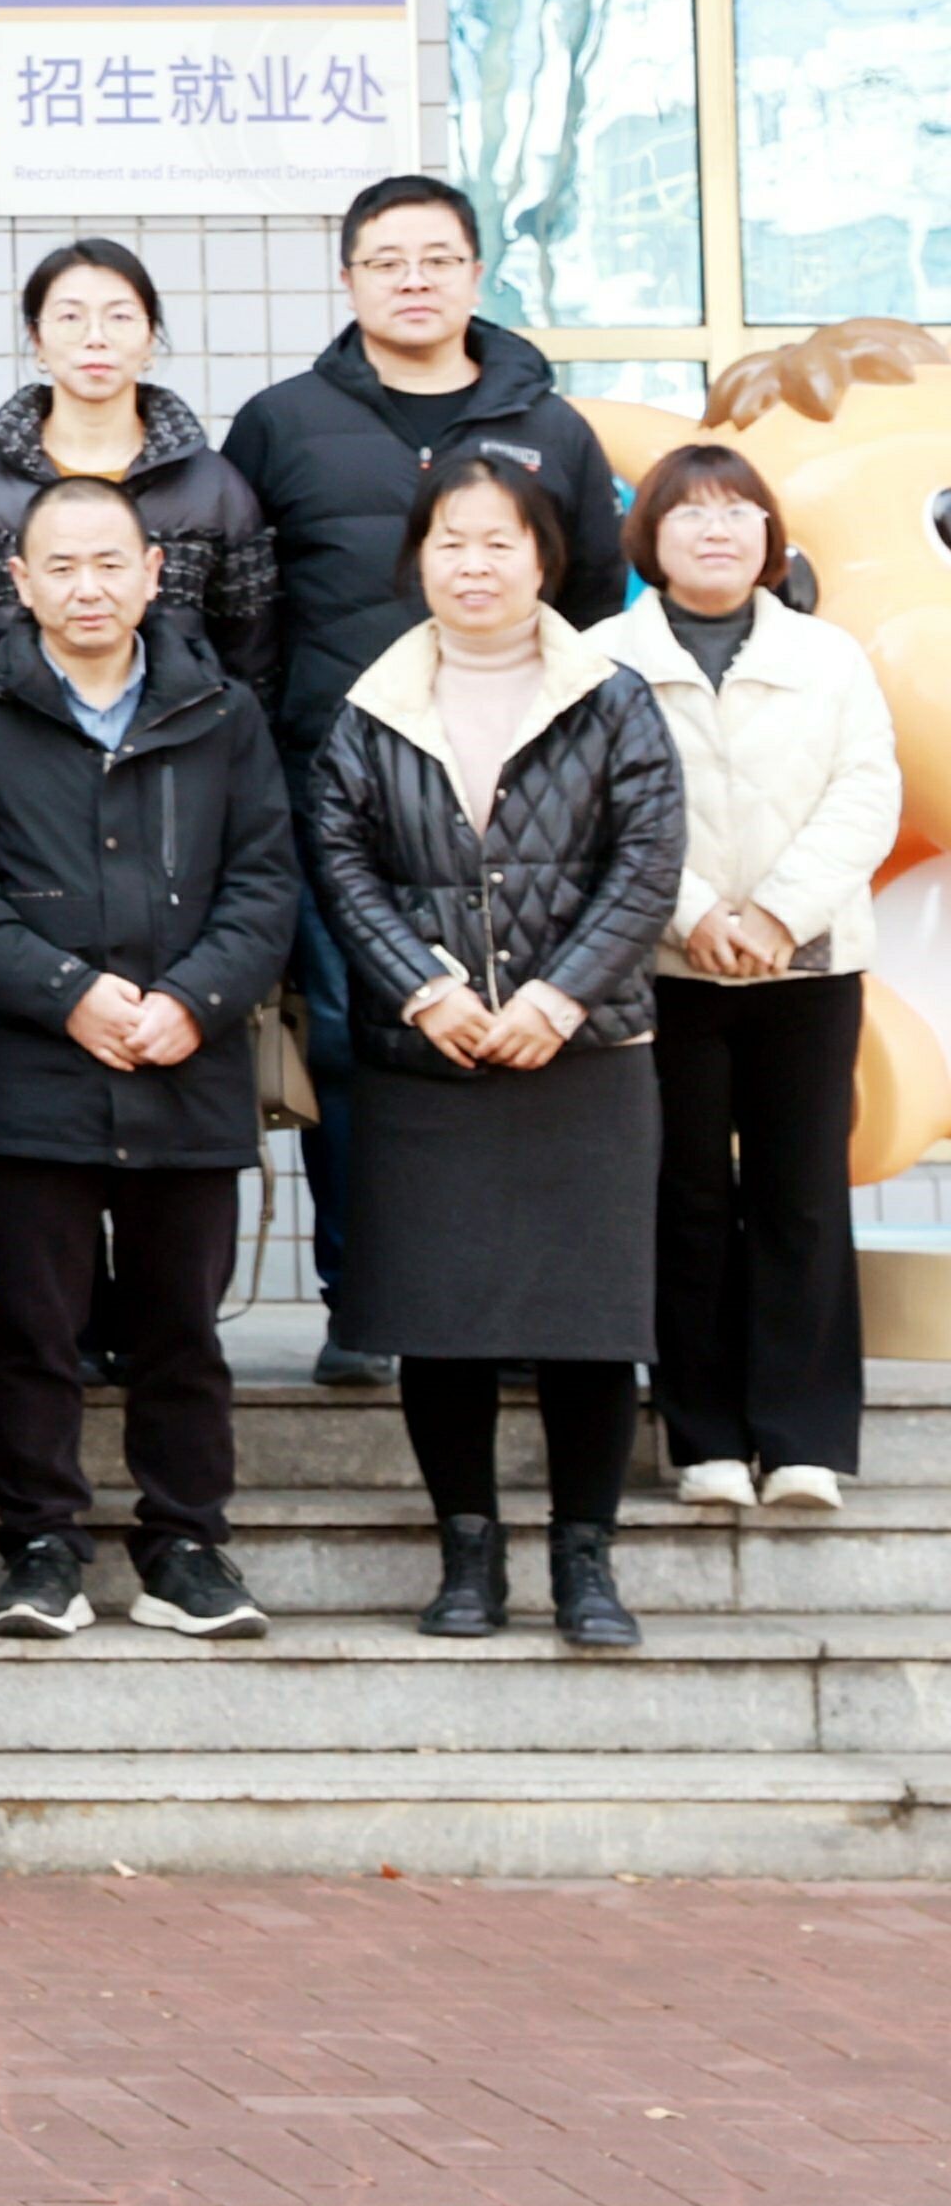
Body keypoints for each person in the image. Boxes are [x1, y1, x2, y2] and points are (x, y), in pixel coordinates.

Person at [233, 177, 639, 1388]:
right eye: (386, 260)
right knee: (355, 1041)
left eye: (437, 258)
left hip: (528, 806)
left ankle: (510, 1307)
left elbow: (591, 601)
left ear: (474, 273)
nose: (413, 280)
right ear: (348, 279)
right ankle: (365, 1300)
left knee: (514, 1039)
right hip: (339, 793)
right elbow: (249, 614)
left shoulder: (550, 427)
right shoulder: (281, 423)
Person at [0, 476, 306, 1642]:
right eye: (61, 567)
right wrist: (69, 994)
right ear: (19, 583)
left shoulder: (224, 711)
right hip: (37, 1071)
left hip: (191, 1064)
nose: (88, 587)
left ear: (153, 574)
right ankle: (40, 1546)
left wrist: (194, 1000)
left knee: (183, 1329)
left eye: (109, 563)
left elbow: (264, 883)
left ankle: (186, 1547)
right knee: (34, 1330)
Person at [305, 458, 686, 1650]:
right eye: (451, 543)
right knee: (442, 1316)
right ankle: (467, 1554)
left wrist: (561, 997)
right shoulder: (370, 708)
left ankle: (586, 1559)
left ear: (545, 560)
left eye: (499, 543)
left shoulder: (613, 697)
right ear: (418, 558)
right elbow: (342, 866)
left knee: (590, 1321)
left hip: (587, 1053)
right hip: (431, 1058)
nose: (474, 566)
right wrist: (425, 991)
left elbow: (648, 862)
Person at [597, 445, 903, 1517]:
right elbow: (600, 811)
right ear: (651, 537)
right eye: (690, 513)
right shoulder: (602, 658)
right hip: (664, 966)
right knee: (684, 1198)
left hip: (806, 964)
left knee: (802, 1194)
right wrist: (695, 915)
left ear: (771, 534)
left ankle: (804, 1439)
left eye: (738, 511)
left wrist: (778, 913)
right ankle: (706, 1441)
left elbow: (866, 792)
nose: (716, 530)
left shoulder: (829, 655)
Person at [0, 239, 284, 700]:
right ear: (36, 340)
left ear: (150, 338)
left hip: (178, 732)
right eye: (70, 317)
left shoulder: (212, 486)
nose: (95, 337)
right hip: (5, 732)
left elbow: (252, 657)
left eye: (119, 317)